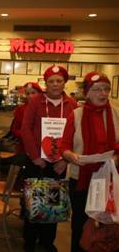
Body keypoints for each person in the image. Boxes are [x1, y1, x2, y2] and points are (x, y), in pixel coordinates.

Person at [21, 65, 77, 252]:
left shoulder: (71, 104)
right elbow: (26, 129)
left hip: (58, 164)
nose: (55, 84)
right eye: (51, 81)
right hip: (36, 161)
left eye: (59, 81)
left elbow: (75, 135)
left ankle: (47, 242)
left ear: (64, 83)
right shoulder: (36, 101)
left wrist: (65, 160)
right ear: (46, 83)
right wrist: (35, 156)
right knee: (33, 202)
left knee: (53, 204)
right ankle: (29, 240)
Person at [61, 71, 119, 252]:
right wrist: (70, 155)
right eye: (96, 89)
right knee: (79, 223)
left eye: (105, 89)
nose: (102, 93)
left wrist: (117, 157)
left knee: (107, 224)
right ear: (86, 93)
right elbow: (64, 145)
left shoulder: (117, 114)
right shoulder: (76, 115)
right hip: (81, 178)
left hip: (109, 178)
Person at [10, 82, 43, 153]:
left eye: (33, 93)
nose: (30, 96)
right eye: (28, 94)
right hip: (24, 148)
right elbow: (14, 130)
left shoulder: (46, 109)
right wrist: (26, 135)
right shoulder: (20, 110)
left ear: (39, 94)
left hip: (42, 149)